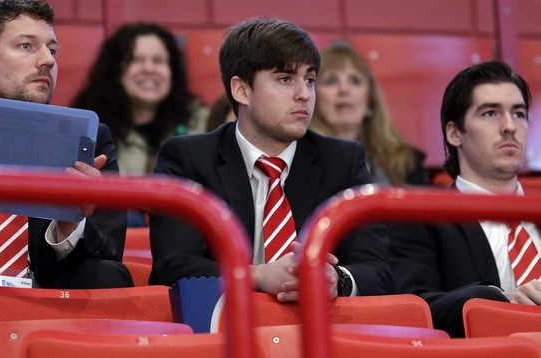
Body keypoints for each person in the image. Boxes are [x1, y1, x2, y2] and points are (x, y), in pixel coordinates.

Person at [148, 17, 390, 302]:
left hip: (320, 330)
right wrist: (259, 275)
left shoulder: (343, 160)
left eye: (309, 80)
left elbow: (377, 269)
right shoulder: (188, 159)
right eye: (285, 79)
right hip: (223, 329)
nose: (304, 95)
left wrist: (337, 280)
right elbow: (174, 266)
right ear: (241, 90)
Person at [0, 0, 133, 289]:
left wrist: (70, 224)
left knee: (109, 276)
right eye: (26, 46)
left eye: (52, 50)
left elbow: (109, 252)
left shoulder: (89, 139)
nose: (48, 60)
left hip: (49, 300)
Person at [390, 60, 534, 337]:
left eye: (518, 113)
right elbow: (413, 310)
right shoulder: (418, 219)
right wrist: (501, 300)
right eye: (491, 113)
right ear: (454, 133)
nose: (509, 127)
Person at [71, 23, 207, 227]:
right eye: (136, 60)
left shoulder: (203, 122)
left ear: (173, 70)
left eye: (158, 60)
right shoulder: (88, 126)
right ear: (115, 69)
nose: (149, 69)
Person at [311, 43, 429, 185]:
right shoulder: (297, 158)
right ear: (313, 97)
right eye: (331, 81)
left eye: (355, 81)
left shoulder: (406, 162)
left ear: (370, 101)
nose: (344, 89)